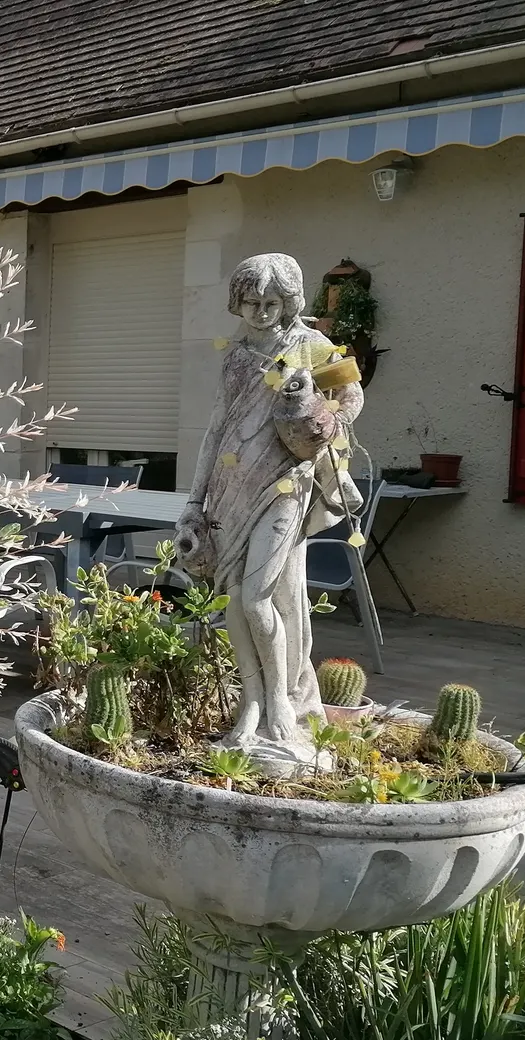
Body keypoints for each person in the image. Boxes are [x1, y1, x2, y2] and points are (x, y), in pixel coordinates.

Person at [175, 254, 365, 772]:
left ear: (290, 301)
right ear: (237, 303)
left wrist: (323, 418)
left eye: (271, 303)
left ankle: (282, 700)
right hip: (230, 487)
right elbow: (214, 430)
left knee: (260, 597)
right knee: (236, 597)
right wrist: (195, 501)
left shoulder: (314, 346)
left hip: (285, 486)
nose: (260, 312)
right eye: (251, 303)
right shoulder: (236, 358)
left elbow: (350, 396)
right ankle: (252, 704)